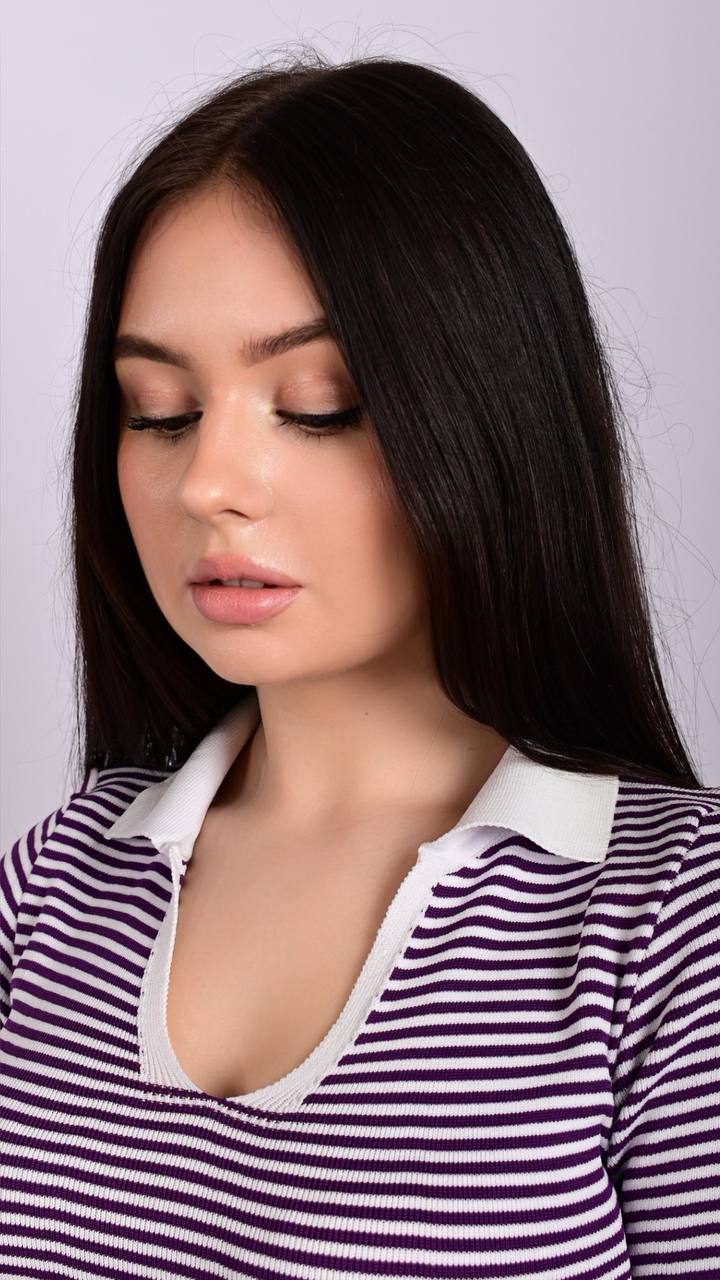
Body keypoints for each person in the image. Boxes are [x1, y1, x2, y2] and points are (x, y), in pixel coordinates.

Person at [1, 50, 718, 1279]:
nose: (208, 483)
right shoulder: (53, 886)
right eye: (159, 408)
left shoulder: (672, 927)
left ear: (488, 414)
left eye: (319, 402)